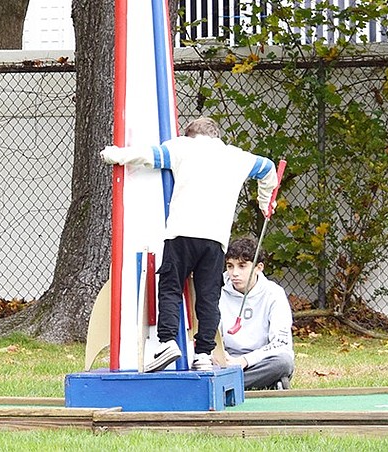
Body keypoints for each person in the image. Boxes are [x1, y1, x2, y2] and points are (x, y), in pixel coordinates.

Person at [100, 116, 279, 373]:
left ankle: (167, 341)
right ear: (217, 136)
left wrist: (114, 154)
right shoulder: (237, 156)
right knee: (208, 295)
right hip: (215, 239)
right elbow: (268, 168)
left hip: (181, 232)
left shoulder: (181, 147)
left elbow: (147, 155)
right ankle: (204, 353)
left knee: (171, 287)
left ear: (189, 135)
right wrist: (265, 202)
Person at [217, 237, 295, 390]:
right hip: (226, 360)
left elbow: (281, 344)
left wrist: (245, 360)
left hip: (261, 360)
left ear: (259, 267)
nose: (234, 273)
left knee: (284, 362)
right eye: (230, 266)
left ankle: (227, 386)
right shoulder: (216, 290)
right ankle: (260, 383)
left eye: (242, 266)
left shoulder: (274, 294)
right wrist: (220, 355)